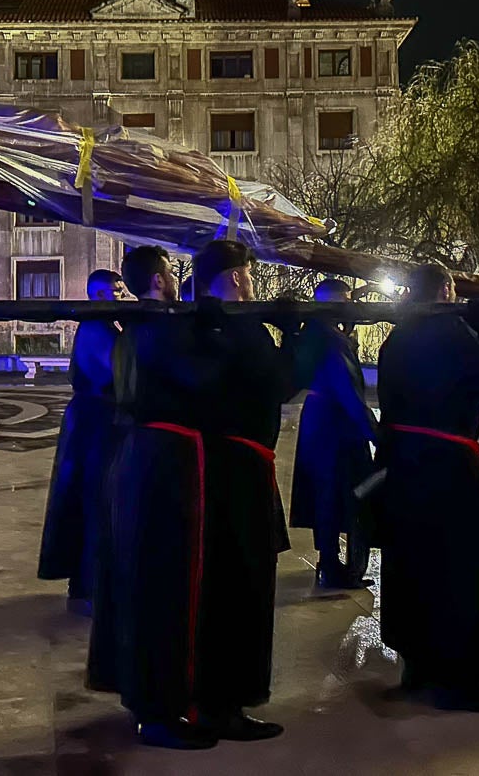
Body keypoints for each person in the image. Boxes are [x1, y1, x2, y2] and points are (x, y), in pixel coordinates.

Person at [88, 244, 229, 749]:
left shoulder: (134, 328)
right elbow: (203, 380)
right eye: (170, 274)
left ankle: (151, 700)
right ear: (159, 280)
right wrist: (215, 331)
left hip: (142, 457)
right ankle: (159, 709)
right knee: (163, 581)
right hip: (161, 462)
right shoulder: (160, 327)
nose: (175, 281)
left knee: (146, 578)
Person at [374, 264, 479, 712]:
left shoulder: (398, 336)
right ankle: (459, 677)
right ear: (446, 290)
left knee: (411, 561)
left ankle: (417, 664)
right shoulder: (453, 332)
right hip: (446, 463)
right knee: (463, 565)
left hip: (404, 460)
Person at [189, 239, 296, 741]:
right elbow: (278, 385)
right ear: (236, 277)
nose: (253, 283)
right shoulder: (239, 326)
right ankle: (225, 701)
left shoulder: (204, 322)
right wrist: (296, 335)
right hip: (240, 474)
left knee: (223, 584)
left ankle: (214, 696)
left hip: (223, 467)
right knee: (241, 587)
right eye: (250, 274)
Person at [38, 269, 128, 614]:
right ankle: (88, 585)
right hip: (95, 424)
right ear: (93, 296)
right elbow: (114, 371)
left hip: (96, 421)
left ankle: (89, 583)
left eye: (119, 291)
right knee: (93, 498)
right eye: (107, 293)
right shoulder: (95, 329)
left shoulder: (104, 327)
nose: (116, 298)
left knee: (93, 499)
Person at [290, 278, 378, 590]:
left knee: (324, 494)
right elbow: (347, 389)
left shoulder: (312, 331)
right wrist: (374, 431)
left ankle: (328, 561)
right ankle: (347, 568)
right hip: (338, 426)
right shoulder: (332, 338)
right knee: (354, 494)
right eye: (348, 299)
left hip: (318, 420)